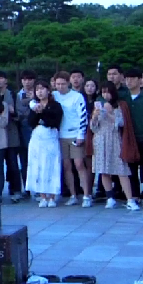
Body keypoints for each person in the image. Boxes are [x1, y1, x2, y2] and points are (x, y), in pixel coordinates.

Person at [90, 81, 140, 211]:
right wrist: (95, 116)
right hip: (100, 140)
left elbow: (121, 123)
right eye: (103, 92)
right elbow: (93, 127)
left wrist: (109, 112)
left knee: (121, 170)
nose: (105, 95)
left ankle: (130, 199)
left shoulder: (119, 105)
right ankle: (110, 198)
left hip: (114, 140)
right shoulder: (98, 106)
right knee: (103, 170)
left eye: (108, 92)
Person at [53, 71, 91, 207]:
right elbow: (37, 100)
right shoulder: (53, 95)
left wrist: (81, 134)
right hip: (60, 135)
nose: (60, 86)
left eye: (63, 84)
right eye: (58, 84)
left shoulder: (77, 96)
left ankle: (86, 195)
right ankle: (73, 195)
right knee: (66, 166)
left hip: (75, 134)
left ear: (68, 83)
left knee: (79, 164)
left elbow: (83, 116)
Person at [26, 80, 64, 208]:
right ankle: (42, 196)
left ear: (48, 90)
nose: (40, 92)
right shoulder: (34, 105)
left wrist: (43, 112)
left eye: (42, 89)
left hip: (50, 137)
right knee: (38, 166)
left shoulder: (55, 105)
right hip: (37, 138)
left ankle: (52, 196)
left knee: (51, 166)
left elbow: (54, 122)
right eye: (37, 89)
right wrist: (36, 112)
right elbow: (30, 122)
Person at [0, 71, 23, 203]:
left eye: (1, 78)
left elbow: (20, 114)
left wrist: (13, 112)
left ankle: (16, 190)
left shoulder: (13, 95)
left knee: (13, 163)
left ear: (6, 80)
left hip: (11, 133)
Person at [124, 69, 143, 207]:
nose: (129, 81)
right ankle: (134, 194)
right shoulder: (124, 99)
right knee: (131, 168)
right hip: (129, 139)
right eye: (127, 79)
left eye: (132, 78)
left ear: (140, 80)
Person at [17, 70, 37, 194]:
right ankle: (27, 188)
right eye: (24, 79)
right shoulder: (18, 95)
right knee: (24, 160)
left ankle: (39, 188)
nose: (27, 82)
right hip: (22, 129)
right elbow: (19, 112)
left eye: (29, 79)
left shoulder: (39, 92)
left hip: (36, 128)